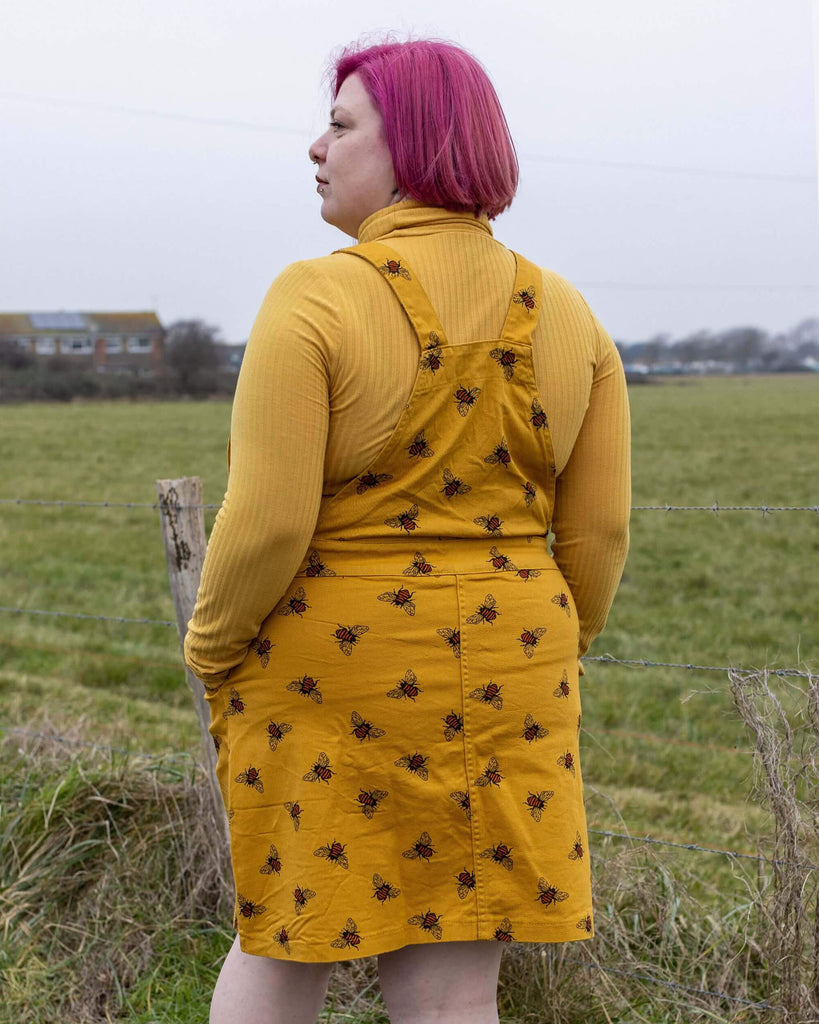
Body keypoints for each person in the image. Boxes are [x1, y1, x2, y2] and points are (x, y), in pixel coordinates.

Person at [184, 38, 630, 1024]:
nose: (316, 147)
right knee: (458, 976)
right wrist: (549, 647)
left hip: (332, 677)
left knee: (284, 940)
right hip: (514, 669)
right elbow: (597, 536)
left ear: (416, 144)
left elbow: (264, 524)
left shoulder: (317, 295)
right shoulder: (572, 314)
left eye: (341, 125)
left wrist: (211, 648)